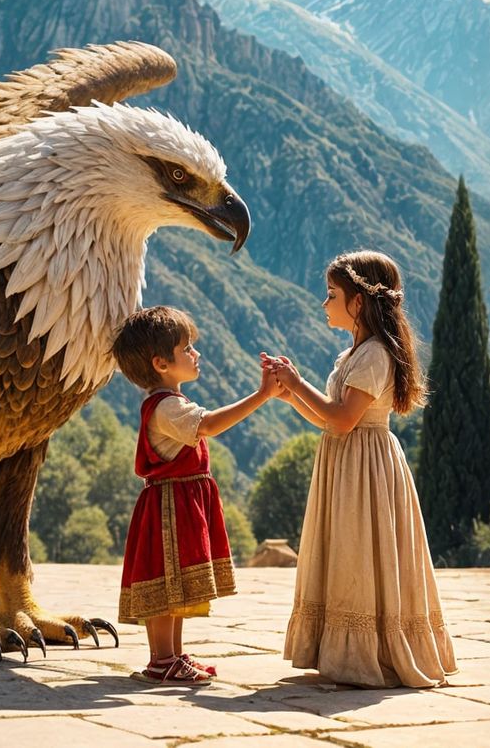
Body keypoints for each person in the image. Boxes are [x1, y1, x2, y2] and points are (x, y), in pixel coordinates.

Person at [267, 250, 458, 688]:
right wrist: (291, 395)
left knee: (360, 552)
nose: (324, 303)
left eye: (331, 294)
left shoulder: (374, 355)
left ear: (358, 302)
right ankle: (347, 650)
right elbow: (330, 416)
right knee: (354, 554)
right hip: (351, 460)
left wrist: (298, 384)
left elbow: (342, 419)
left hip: (365, 466)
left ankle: (369, 651)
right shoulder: (354, 354)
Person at [111, 305, 280, 685]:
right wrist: (261, 395)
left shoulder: (172, 403)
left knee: (176, 585)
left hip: (181, 503)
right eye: (187, 349)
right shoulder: (168, 408)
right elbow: (211, 425)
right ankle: (161, 660)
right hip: (170, 507)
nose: (196, 354)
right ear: (161, 363)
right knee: (164, 583)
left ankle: (170, 656)